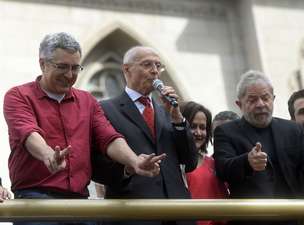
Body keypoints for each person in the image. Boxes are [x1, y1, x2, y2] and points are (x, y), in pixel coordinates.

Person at [3, 33, 164, 209]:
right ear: (43, 64)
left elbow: (108, 137)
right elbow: (28, 132)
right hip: (35, 199)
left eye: (75, 68)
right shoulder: (18, 95)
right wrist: (48, 155)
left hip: (80, 201)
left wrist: (134, 161)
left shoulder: (88, 101)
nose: (69, 75)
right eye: (62, 67)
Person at [91, 46, 198, 225]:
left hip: (177, 212)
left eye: (158, 65)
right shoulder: (105, 109)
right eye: (147, 64)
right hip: (132, 212)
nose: (155, 71)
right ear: (126, 69)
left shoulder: (167, 112)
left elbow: (190, 161)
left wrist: (178, 120)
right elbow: (96, 165)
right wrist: (128, 168)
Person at [213, 70, 304, 225]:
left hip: (293, 216)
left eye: (265, 98)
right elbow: (222, 169)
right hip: (252, 219)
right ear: (239, 104)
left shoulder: (292, 129)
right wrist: (247, 161)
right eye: (252, 100)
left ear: (273, 99)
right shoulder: (226, 131)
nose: (260, 104)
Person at [180, 101, 228, 225]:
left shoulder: (214, 164)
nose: (198, 133)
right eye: (193, 126)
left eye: (202, 127)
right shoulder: (169, 164)